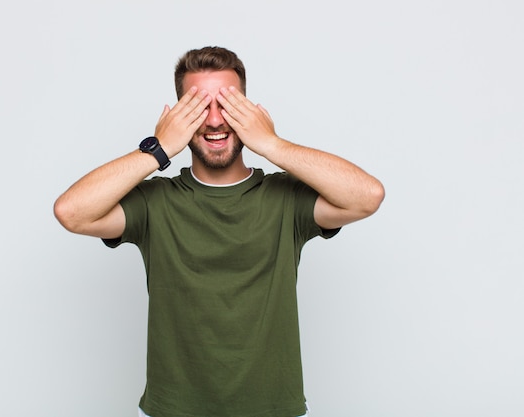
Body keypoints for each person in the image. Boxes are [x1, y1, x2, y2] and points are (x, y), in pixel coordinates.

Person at [54, 46, 385, 417]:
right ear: (180, 117)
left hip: (272, 409)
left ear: (248, 112)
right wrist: (158, 149)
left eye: (227, 105)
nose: (214, 121)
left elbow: (367, 197)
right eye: (198, 108)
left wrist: (272, 144)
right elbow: (71, 212)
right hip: (173, 410)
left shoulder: (285, 200)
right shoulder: (155, 203)